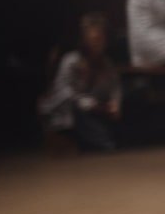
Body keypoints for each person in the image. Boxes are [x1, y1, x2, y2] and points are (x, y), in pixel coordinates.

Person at [38, 12, 122, 152]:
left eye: (101, 38)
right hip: (68, 114)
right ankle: (103, 143)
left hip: (98, 111)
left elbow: (115, 87)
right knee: (79, 111)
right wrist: (93, 105)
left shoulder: (107, 63)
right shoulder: (71, 61)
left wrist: (115, 103)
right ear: (84, 39)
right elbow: (66, 94)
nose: (98, 42)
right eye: (94, 38)